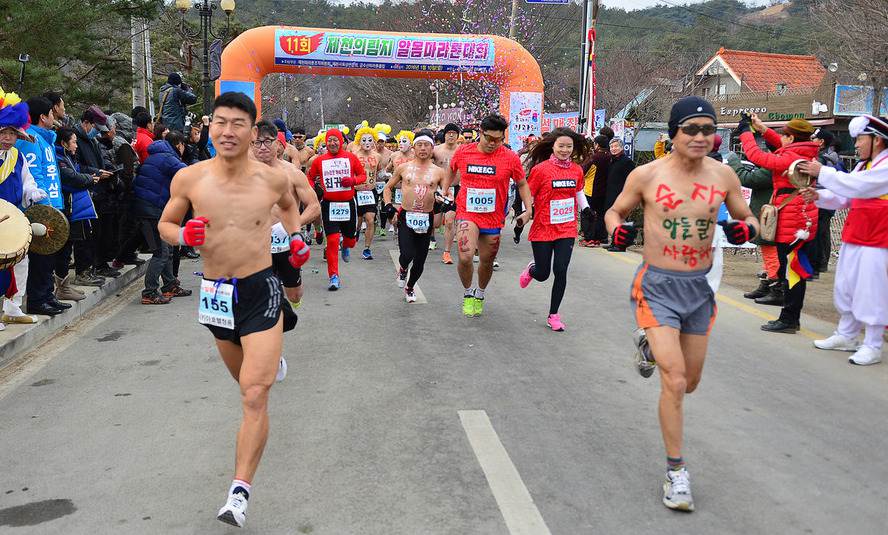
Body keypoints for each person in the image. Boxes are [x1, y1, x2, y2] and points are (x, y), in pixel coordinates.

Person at [158, 92, 307, 528]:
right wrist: (185, 235)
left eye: (237, 123)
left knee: (253, 393)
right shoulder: (189, 179)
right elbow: (166, 225)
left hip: (261, 289)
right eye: (220, 122)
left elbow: (289, 208)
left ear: (252, 130)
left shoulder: (272, 180)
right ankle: (270, 360)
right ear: (211, 127)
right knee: (245, 381)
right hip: (216, 295)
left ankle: (239, 491)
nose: (227, 130)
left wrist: (295, 239)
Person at [605, 96, 759, 512]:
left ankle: (649, 344)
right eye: (691, 129)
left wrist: (747, 228)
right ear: (673, 133)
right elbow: (614, 212)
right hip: (656, 286)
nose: (700, 137)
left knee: (689, 383)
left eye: (708, 129)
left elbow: (749, 218)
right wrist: (617, 232)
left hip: (699, 289)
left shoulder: (723, 175)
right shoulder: (646, 174)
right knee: (672, 381)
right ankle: (676, 473)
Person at [799, 115, 888, 366]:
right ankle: (847, 335)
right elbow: (845, 197)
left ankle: (872, 344)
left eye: (860, 138)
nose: (856, 144)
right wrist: (818, 195)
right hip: (857, 234)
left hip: (880, 238)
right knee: (846, 286)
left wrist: (822, 172)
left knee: (872, 291)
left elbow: (857, 187)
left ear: (877, 140)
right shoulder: (863, 167)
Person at [441, 114, 531, 317]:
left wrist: (528, 209)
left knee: (487, 260)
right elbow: (451, 170)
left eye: (498, 140)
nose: (493, 143)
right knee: (465, 256)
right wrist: (445, 188)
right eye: (489, 138)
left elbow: (522, 183)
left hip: (493, 217)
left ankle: (480, 293)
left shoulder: (510, 157)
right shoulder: (464, 152)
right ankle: (467, 293)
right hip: (467, 213)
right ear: (480, 133)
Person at [738, 114, 819, 333]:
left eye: (785, 135)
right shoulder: (802, 152)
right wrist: (762, 128)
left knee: (793, 272)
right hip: (799, 218)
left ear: (791, 138)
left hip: (794, 221)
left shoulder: (791, 158)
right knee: (792, 270)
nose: (781, 138)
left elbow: (757, 156)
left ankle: (790, 319)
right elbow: (781, 147)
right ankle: (789, 316)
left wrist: (745, 132)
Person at [517, 128, 590, 331]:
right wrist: (525, 213)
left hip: (566, 227)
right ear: (553, 146)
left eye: (569, 146)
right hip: (543, 226)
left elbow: (578, 191)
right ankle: (533, 269)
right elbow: (528, 195)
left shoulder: (576, 170)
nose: (565, 150)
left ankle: (554, 314)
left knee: (561, 269)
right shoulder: (541, 170)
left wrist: (586, 209)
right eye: (561, 146)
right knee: (543, 274)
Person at [252, 121, 320, 308]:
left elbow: (314, 206)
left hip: (286, 243)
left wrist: (292, 226)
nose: (263, 147)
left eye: (267, 141)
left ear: (278, 144)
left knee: (294, 295)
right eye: (257, 142)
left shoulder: (292, 173)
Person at [0, 88, 51, 325]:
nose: (8, 138)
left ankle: (14, 306)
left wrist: (33, 192)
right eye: (4, 132)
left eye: (12, 133)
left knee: (20, 262)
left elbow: (27, 181)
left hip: (14, 218)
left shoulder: (17, 157)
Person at [16, 96, 69, 316]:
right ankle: (37, 300)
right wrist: (44, 205)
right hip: (41, 208)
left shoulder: (45, 138)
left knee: (50, 256)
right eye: (51, 113)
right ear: (42, 117)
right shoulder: (30, 139)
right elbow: (35, 175)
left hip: (53, 205)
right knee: (40, 257)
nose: (54, 117)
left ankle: (48, 295)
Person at [382, 129, 445, 302]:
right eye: (419, 145)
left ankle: (410, 287)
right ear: (414, 147)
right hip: (406, 216)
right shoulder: (404, 168)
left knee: (419, 261)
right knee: (407, 253)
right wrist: (389, 206)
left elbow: (446, 193)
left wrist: (444, 200)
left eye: (427, 145)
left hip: (427, 217)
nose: (423, 148)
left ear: (432, 148)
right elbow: (387, 188)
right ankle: (402, 269)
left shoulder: (438, 172)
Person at [133, 131, 190, 304]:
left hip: (154, 209)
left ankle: (169, 284)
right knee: (160, 252)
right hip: (149, 211)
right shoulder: (167, 157)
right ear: (179, 144)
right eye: (183, 145)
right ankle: (149, 292)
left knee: (168, 249)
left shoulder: (159, 155)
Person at [306, 128, 367, 290]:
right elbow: (310, 177)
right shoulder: (319, 160)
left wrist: (352, 180)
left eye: (335, 140)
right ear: (326, 142)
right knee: (332, 241)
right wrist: (311, 189)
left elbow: (363, 176)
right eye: (329, 140)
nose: (332, 143)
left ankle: (346, 246)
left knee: (351, 240)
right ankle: (334, 276)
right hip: (329, 205)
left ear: (341, 141)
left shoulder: (350, 157)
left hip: (348, 204)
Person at [55, 127, 103, 289]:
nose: (76, 145)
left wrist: (93, 173)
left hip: (79, 206)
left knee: (84, 239)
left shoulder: (69, 156)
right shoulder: (59, 158)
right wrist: (90, 179)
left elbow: (79, 171)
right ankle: (76, 277)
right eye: (74, 142)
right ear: (64, 143)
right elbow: (71, 178)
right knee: (74, 244)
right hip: (71, 207)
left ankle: (82, 274)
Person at [809, 129, 842, 279]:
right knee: (824, 232)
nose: (812, 140)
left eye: (814, 138)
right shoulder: (832, 157)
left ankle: (816, 265)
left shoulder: (820, 159)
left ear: (821, 142)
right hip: (829, 200)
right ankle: (823, 263)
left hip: (820, 198)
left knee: (817, 233)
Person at [352, 125, 381, 260]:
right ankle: (356, 231)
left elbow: (379, 172)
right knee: (357, 221)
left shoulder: (377, 156)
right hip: (356, 191)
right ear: (359, 141)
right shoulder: (354, 156)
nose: (367, 143)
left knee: (370, 220)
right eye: (364, 140)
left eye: (370, 140)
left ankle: (367, 248)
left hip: (370, 192)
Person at [434, 123, 461, 263]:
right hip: (438, 190)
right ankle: (428, 239)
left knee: (450, 221)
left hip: (454, 189)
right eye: (448, 132)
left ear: (457, 135)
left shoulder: (462, 151)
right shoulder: (436, 150)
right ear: (444, 135)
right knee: (436, 223)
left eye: (454, 133)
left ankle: (447, 252)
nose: (451, 135)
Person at [603, 138, 635, 251]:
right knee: (613, 218)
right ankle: (614, 241)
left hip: (621, 194)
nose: (613, 149)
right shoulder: (612, 161)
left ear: (622, 147)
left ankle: (621, 244)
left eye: (616, 146)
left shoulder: (627, 162)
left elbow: (631, 179)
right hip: (611, 193)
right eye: (611, 147)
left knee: (620, 218)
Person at [579, 134, 611, 247]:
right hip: (605, 191)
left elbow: (582, 172)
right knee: (602, 215)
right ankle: (602, 237)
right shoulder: (610, 157)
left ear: (597, 144)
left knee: (588, 214)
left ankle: (589, 238)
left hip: (591, 190)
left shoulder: (594, 158)